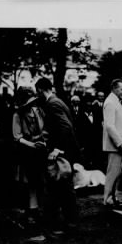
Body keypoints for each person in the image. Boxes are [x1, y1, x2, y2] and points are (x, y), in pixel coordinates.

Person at [35, 77, 81, 234]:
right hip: (67, 150)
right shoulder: (58, 101)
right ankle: (65, 223)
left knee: (62, 187)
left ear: (40, 89)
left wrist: (57, 149)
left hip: (63, 152)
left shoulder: (52, 104)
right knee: (61, 187)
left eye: (37, 91)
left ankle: (68, 223)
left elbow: (65, 127)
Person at [12, 86, 47, 241]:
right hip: (26, 152)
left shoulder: (38, 111)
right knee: (28, 183)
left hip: (40, 151)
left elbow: (45, 129)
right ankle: (31, 213)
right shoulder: (17, 115)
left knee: (40, 181)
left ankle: (39, 212)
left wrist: (43, 142)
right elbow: (17, 137)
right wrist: (32, 144)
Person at [103, 79, 122, 205]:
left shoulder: (115, 102)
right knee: (113, 173)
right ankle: (108, 198)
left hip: (118, 146)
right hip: (115, 146)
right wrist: (120, 143)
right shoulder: (110, 102)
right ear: (114, 88)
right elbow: (110, 126)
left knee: (116, 172)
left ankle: (112, 197)